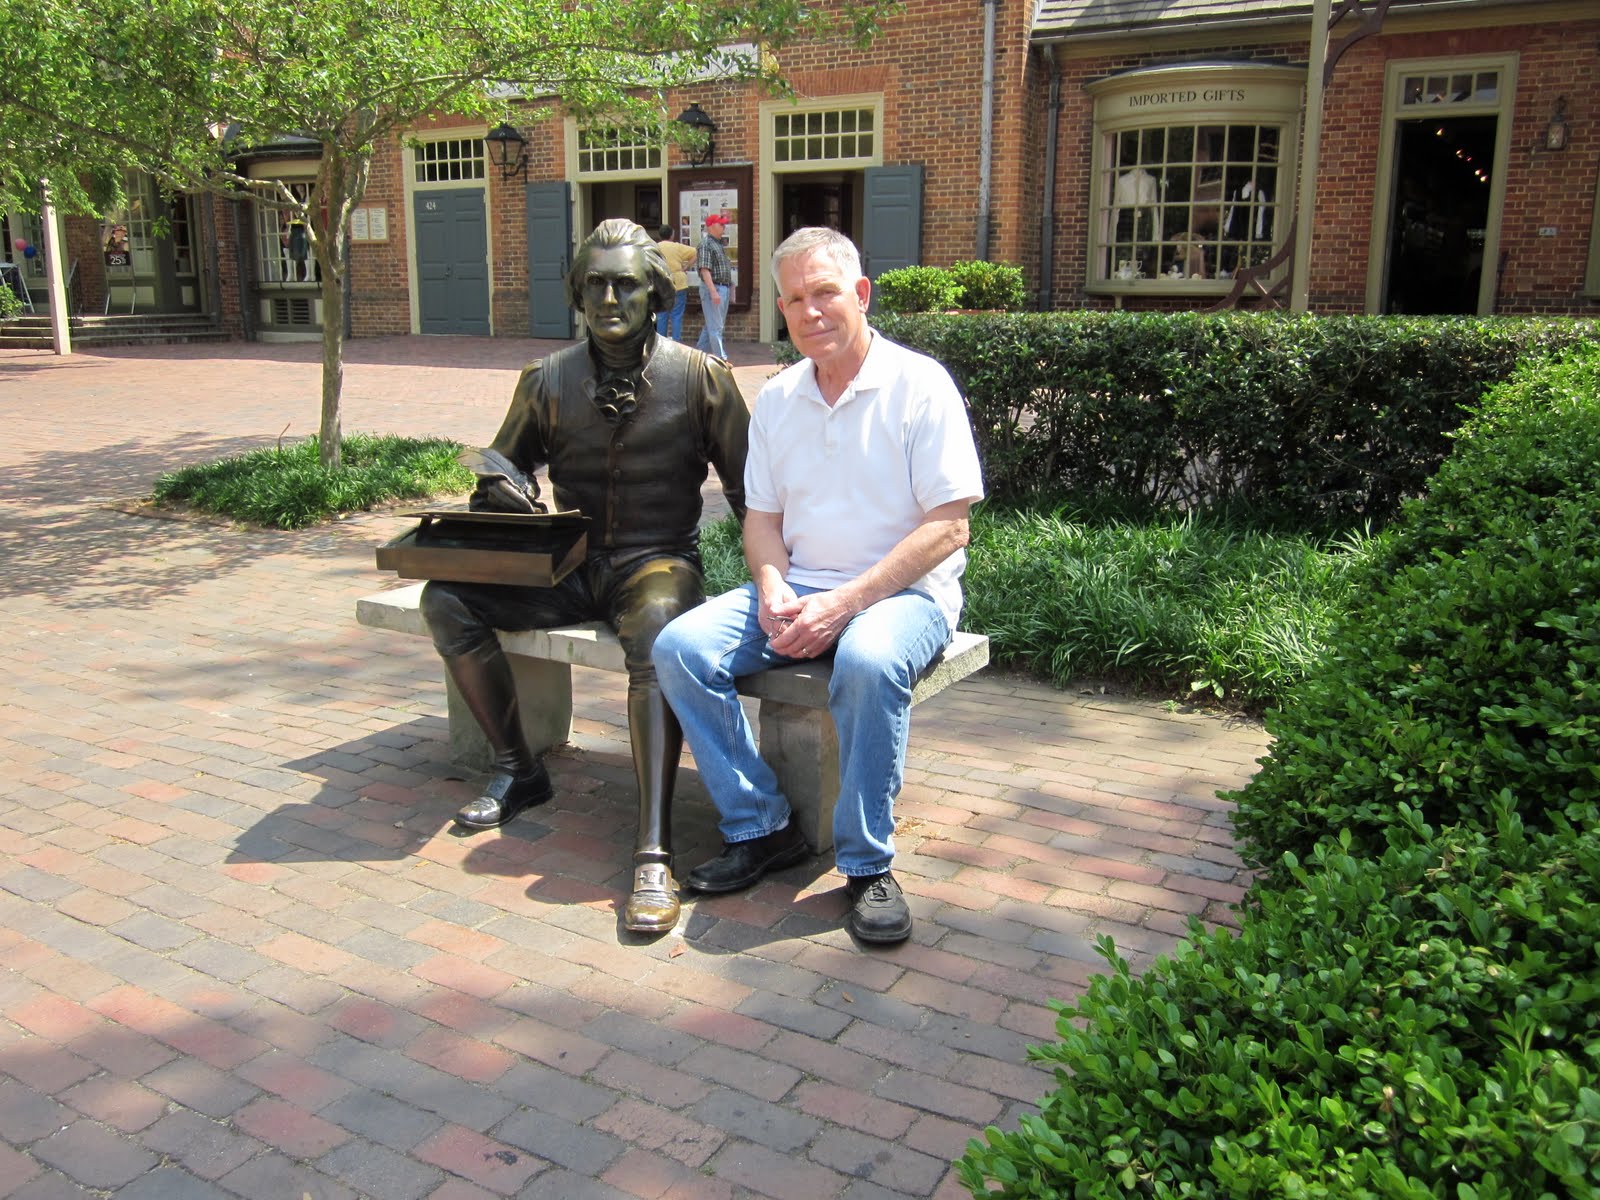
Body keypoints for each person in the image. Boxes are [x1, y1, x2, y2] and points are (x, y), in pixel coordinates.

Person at [653, 227, 984, 946]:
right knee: (680, 647)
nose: (811, 311)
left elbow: (948, 528)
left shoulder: (920, 385)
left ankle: (866, 865)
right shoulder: (778, 399)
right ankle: (761, 825)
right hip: (800, 583)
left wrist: (844, 603)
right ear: (781, 308)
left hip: (906, 596)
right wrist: (772, 583)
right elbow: (762, 520)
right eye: (795, 299)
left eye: (826, 292)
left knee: (866, 660)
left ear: (861, 294)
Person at [419, 219, 749, 934]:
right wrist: (498, 489)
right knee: (445, 600)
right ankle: (519, 767)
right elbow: (498, 464)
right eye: (594, 284)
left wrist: (775, 588)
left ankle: (653, 850)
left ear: (656, 294)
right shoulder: (546, 379)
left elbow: (753, 494)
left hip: (658, 563)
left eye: (625, 284)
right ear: (576, 293)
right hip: (567, 562)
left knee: (657, 633)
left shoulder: (703, 379)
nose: (608, 298)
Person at [695, 212, 733, 359]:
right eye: (721, 224)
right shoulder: (706, 244)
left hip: (722, 288)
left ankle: (697, 356)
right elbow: (704, 270)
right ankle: (722, 359)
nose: (724, 227)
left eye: (724, 224)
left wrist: (730, 288)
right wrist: (713, 292)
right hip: (714, 288)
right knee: (716, 327)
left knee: (712, 326)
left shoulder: (717, 243)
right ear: (711, 226)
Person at [653, 225, 697, 341]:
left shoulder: (654, 247)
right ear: (672, 235)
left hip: (661, 283)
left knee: (662, 316)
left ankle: (661, 343)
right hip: (679, 282)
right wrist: (686, 266)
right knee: (677, 316)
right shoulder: (677, 247)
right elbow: (696, 253)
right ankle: (676, 343)